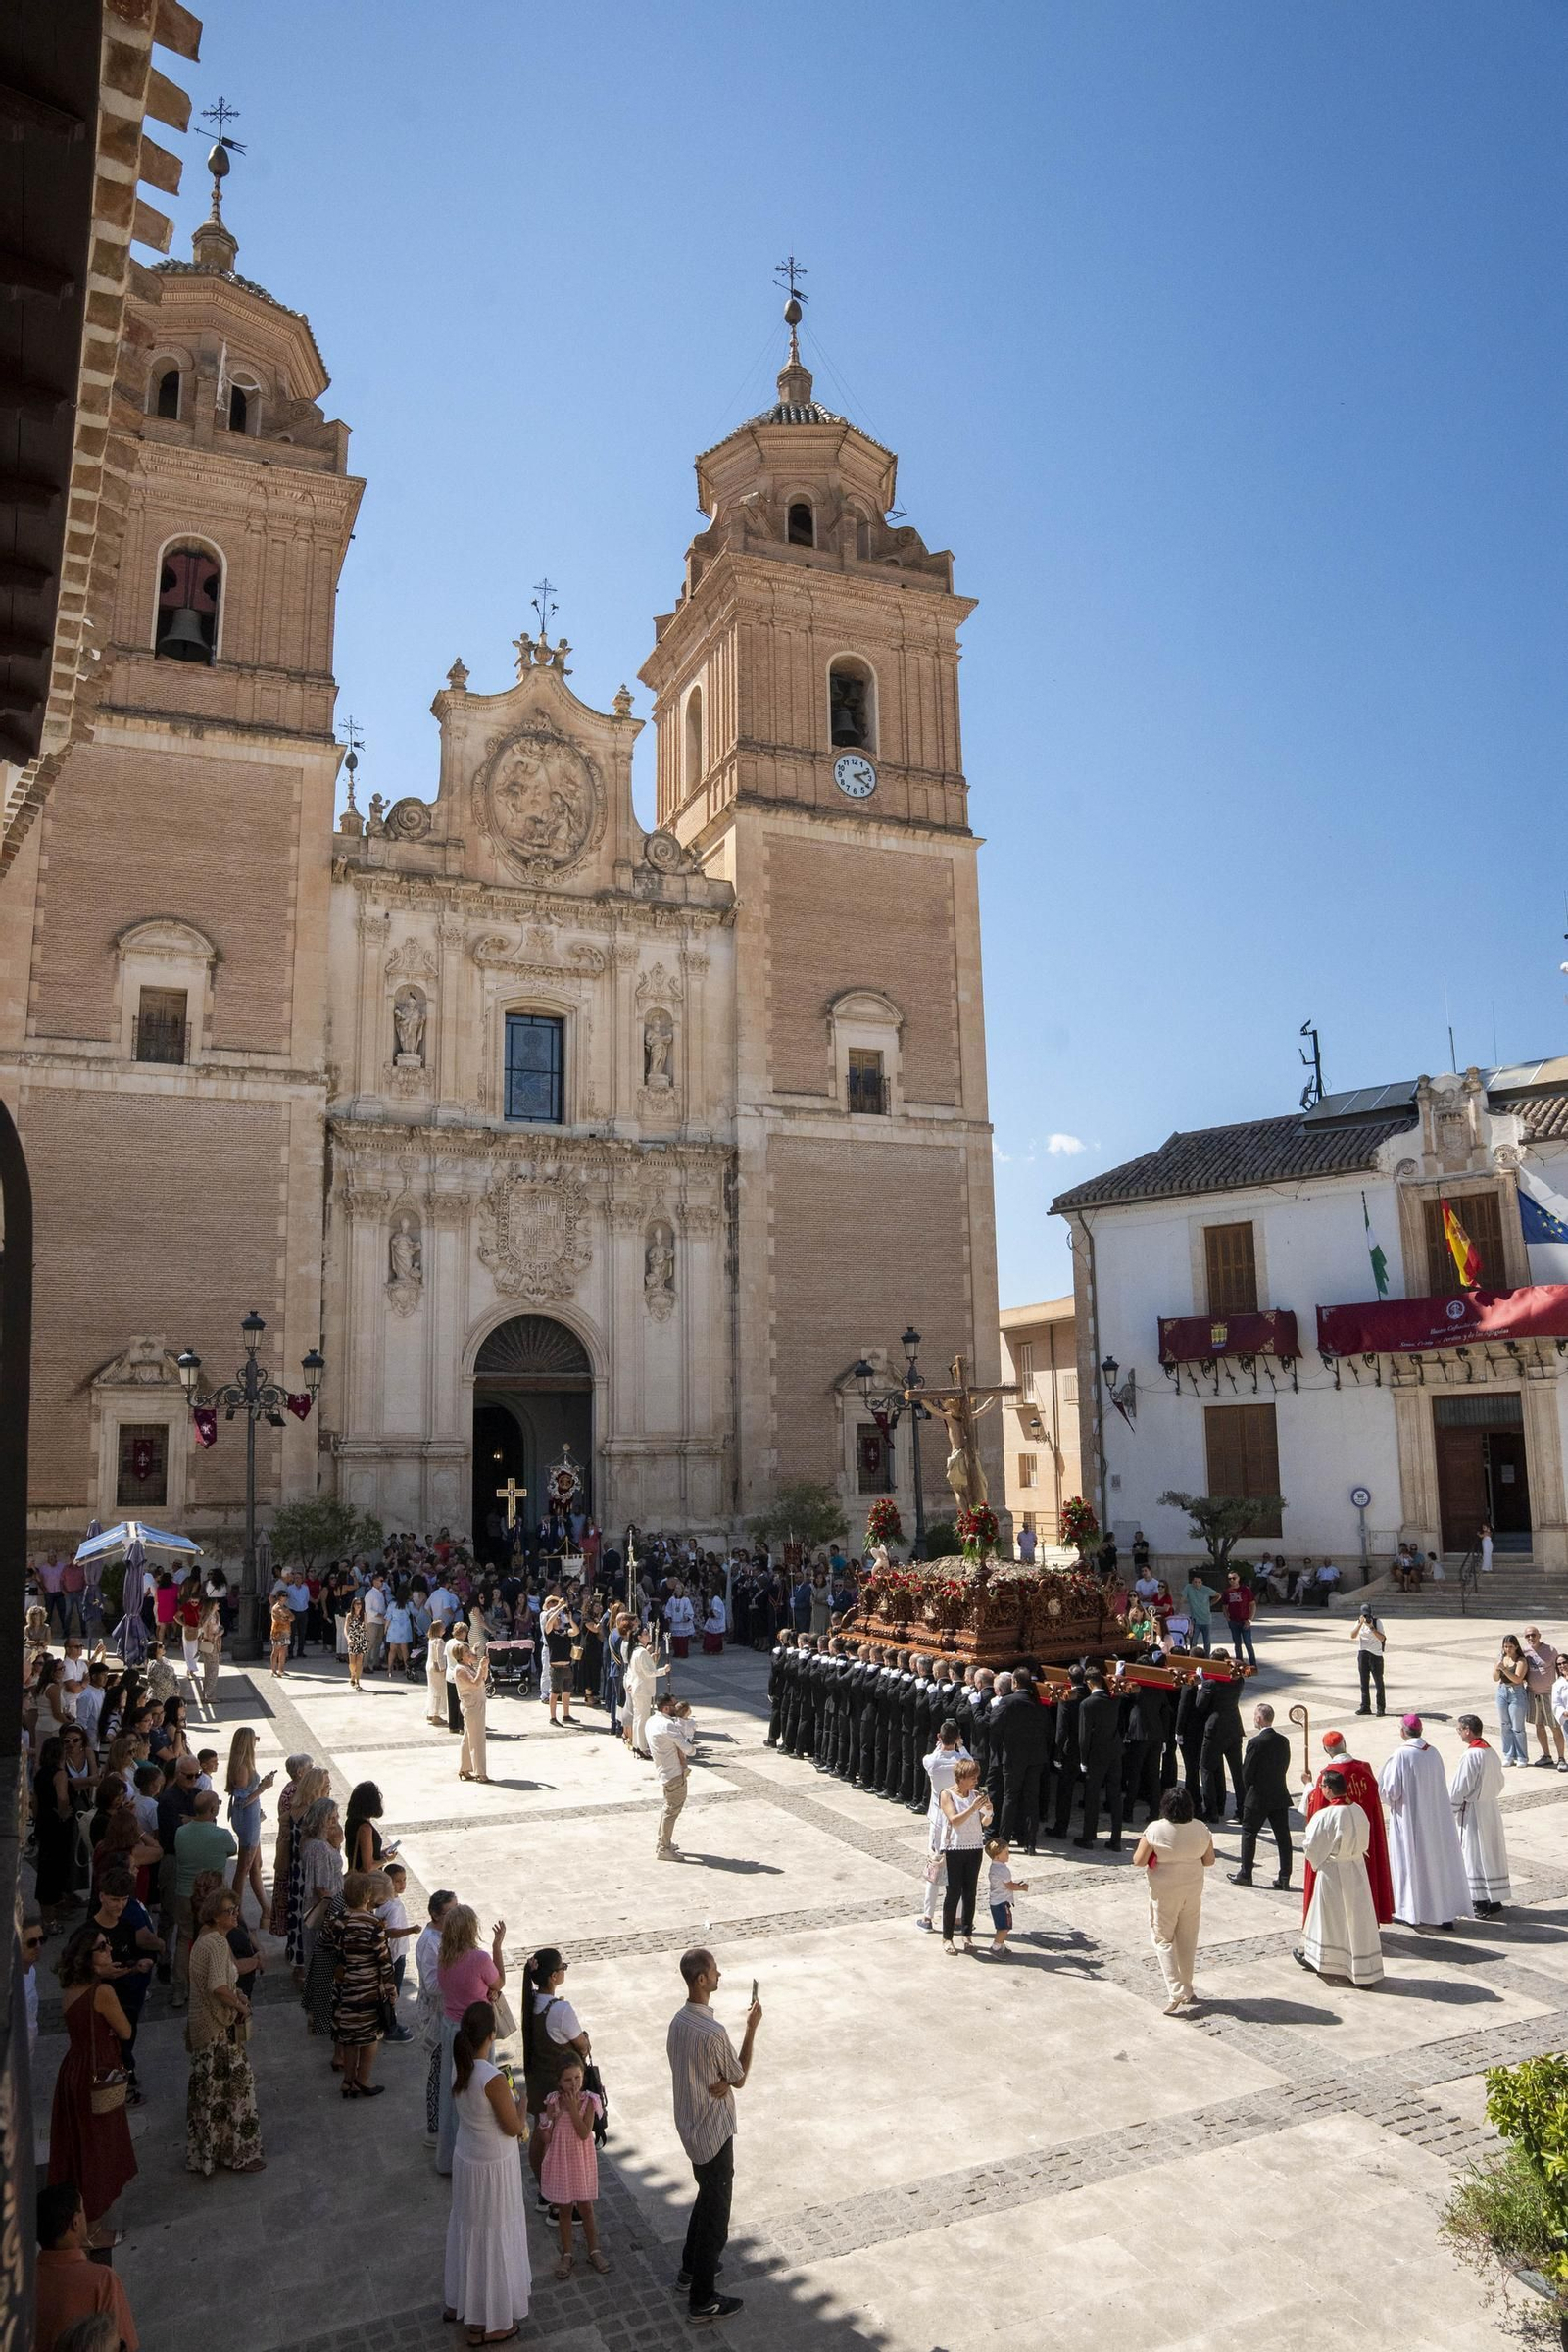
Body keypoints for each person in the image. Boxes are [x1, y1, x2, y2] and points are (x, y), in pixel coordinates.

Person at [666, 1948, 760, 2325]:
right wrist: (752, 2029)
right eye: (714, 1971)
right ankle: (702, 2299)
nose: (720, 1975)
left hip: (690, 2126)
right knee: (716, 2215)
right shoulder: (714, 2031)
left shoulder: (678, 2022)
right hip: (714, 2130)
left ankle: (690, 2268)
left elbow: (687, 2065)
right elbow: (739, 2077)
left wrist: (715, 2078)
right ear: (701, 1980)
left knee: (706, 2196)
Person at [443, 1999, 532, 2345]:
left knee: (470, 2229)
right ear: (492, 2035)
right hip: (493, 2167)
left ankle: (463, 2305)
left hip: (468, 2158)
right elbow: (512, 2127)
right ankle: (490, 2322)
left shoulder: (460, 2066)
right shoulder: (491, 2078)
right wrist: (521, 2102)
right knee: (494, 2234)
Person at [48, 1920, 137, 2233]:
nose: (109, 1948)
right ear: (88, 1956)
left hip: (73, 2070)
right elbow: (125, 2030)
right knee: (99, 2147)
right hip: (98, 2073)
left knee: (79, 2145)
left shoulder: (71, 1988)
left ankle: (82, 2217)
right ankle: (95, 2230)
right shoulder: (103, 1993)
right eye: (102, 1947)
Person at [185, 1884, 266, 2173]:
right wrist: (241, 2006)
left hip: (206, 2029)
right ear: (216, 1915)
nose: (235, 1915)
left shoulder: (206, 1937)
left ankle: (210, 2154)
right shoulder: (217, 1942)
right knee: (238, 2093)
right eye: (229, 1911)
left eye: (235, 1910)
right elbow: (217, 1987)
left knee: (211, 2095)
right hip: (219, 2031)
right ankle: (241, 2155)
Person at [1379, 1715, 1472, 1930]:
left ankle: (1410, 1912)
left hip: (1410, 1819)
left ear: (1403, 1732)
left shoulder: (1401, 1755)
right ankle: (1445, 1913)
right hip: (1436, 1820)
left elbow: (1391, 1791)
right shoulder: (1434, 1752)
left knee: (1410, 1864)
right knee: (1437, 1865)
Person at [1294, 1770, 1384, 1986]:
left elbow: (1312, 1846)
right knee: (1357, 1920)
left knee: (1331, 1919)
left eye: (1322, 1786)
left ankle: (1323, 1960)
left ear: (1328, 1789)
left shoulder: (1325, 1816)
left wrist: (1319, 1858)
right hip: (1357, 1868)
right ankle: (1362, 1969)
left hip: (1333, 1872)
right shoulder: (1358, 1811)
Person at [1133, 1785, 1215, 2015]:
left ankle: (1176, 1988)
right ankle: (1187, 1988)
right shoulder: (1202, 1829)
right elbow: (1209, 1861)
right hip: (1192, 1890)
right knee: (1188, 1939)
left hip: (1164, 1892)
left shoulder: (1156, 1829)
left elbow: (1139, 1860)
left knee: (1162, 1939)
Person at [437, 1905, 508, 2175]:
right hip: (475, 2031)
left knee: (452, 2089)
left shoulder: (443, 1956)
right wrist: (497, 1947)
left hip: (450, 2028)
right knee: (479, 2090)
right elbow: (498, 1982)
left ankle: (448, 2157)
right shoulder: (478, 1959)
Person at [1301, 1729, 1395, 1924]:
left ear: (1327, 1750)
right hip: (1362, 1848)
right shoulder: (1364, 1770)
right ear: (1345, 1744)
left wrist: (1309, 1786)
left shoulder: (1326, 1778)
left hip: (1335, 1858)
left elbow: (1316, 1811)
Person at [33, 2183, 141, 2352]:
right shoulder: (101, 2279)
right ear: (75, 2223)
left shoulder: (25, 2283)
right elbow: (125, 2343)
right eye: (83, 2210)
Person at [320, 1868, 397, 2097]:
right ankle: (363, 2079)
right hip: (368, 1990)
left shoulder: (337, 1920)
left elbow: (325, 1942)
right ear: (368, 1896)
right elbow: (384, 1961)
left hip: (344, 1988)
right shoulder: (374, 1924)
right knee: (370, 2037)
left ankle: (348, 2080)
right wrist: (391, 1990)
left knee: (349, 2036)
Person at [539, 2054, 609, 2277]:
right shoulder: (552, 2101)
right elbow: (547, 2137)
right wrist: (545, 2127)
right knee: (565, 2209)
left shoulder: (589, 2101)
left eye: (577, 2077)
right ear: (559, 2081)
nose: (574, 2083)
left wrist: (571, 2108)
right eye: (568, 2079)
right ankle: (567, 2253)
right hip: (561, 2160)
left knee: (586, 2207)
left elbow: (583, 2132)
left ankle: (594, 2250)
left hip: (581, 2160)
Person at [1450, 1714, 1510, 1918]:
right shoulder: (1491, 1752)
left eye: (1459, 1729)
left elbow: (1460, 1786)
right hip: (1490, 1808)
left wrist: (1452, 1807)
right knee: (1490, 1853)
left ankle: (1480, 1901)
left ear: (1468, 1730)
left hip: (1473, 1810)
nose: (1458, 1733)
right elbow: (1500, 1782)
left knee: (1473, 1854)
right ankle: (1495, 1900)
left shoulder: (1471, 1755)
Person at [1229, 1702, 1293, 1889]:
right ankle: (1284, 1876)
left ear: (1259, 1718)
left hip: (1258, 1796)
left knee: (1249, 1833)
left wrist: (1250, 1790)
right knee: (1283, 1836)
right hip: (1278, 1793)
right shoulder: (1283, 1741)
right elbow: (1285, 1765)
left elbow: (1246, 1772)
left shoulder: (1255, 1743)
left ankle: (1246, 1873)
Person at [416, 1888, 459, 2146]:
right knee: (438, 2072)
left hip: (449, 2013)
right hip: (436, 2016)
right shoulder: (429, 1942)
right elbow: (432, 1985)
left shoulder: (447, 1936)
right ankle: (435, 2129)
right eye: (451, 1912)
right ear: (435, 1915)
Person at [936, 1757, 992, 1952]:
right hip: (954, 1849)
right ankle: (947, 1937)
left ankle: (967, 1934)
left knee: (971, 1892)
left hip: (974, 1847)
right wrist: (973, 1808)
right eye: (972, 1777)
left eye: (976, 1777)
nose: (975, 1781)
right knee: (953, 1893)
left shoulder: (975, 1795)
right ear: (961, 1778)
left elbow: (984, 1823)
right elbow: (954, 1820)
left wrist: (988, 1813)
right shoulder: (947, 1795)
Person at [223, 1727, 273, 1927]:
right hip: (247, 1821)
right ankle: (237, 1912)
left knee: (255, 1866)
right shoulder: (242, 1767)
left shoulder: (242, 1763)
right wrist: (263, 1787)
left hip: (251, 1818)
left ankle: (266, 1910)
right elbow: (242, 1801)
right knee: (243, 1869)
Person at [649, 1692, 692, 1860]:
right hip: (674, 1773)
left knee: (668, 1807)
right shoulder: (667, 1725)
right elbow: (687, 1748)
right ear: (666, 1708)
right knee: (672, 1810)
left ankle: (663, 1841)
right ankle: (664, 1848)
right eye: (674, 1705)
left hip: (663, 1770)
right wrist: (693, 1749)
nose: (677, 1707)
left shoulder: (652, 1721)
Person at [1520, 1626, 1566, 1768]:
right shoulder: (1524, 1652)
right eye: (1527, 1636)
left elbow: (1560, 1671)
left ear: (1539, 1635)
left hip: (1549, 1695)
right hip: (1533, 1694)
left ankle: (1561, 1758)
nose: (1530, 1638)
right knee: (1539, 1726)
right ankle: (1546, 1755)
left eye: (1533, 1635)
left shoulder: (1551, 1651)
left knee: (1555, 1727)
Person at [452, 1640, 492, 1783]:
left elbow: (482, 1678)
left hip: (477, 1704)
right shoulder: (460, 1669)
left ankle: (464, 1768)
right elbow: (475, 1683)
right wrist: (481, 1667)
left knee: (469, 1737)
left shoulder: (467, 1666)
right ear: (460, 1656)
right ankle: (480, 1772)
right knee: (478, 1739)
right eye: (467, 1652)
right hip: (472, 1706)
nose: (470, 1654)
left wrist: (484, 1667)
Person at [624, 1628, 667, 1758]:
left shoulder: (636, 1651)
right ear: (639, 1637)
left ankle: (638, 1745)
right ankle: (642, 1747)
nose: (648, 1635)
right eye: (645, 1634)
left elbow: (638, 1669)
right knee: (642, 1719)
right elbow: (648, 1672)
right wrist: (663, 1670)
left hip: (638, 1688)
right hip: (642, 1689)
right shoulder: (641, 1652)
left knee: (639, 1718)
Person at [984, 1835, 1028, 1955]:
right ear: (997, 1856)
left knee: (1001, 1925)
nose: (1008, 1854)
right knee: (1005, 1926)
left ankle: (1001, 1944)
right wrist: (1022, 1887)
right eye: (1006, 1853)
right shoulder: (1003, 1870)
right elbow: (1010, 1886)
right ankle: (996, 1947)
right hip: (1001, 1902)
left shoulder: (994, 1867)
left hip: (995, 1901)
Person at [1493, 1634, 1531, 1766]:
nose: (1507, 1649)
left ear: (1516, 1647)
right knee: (1505, 1725)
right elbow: (1496, 1678)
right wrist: (1498, 1668)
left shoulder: (1521, 1661)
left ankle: (1522, 1756)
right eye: (1505, 1647)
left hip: (1516, 1692)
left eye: (1510, 1647)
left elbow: (1517, 1679)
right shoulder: (1502, 1658)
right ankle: (1508, 1754)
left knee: (1517, 1727)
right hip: (1502, 1691)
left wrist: (1504, 1669)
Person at [542, 1593, 576, 1725]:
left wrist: (570, 1619)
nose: (559, 1620)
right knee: (555, 1692)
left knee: (567, 1692)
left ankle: (566, 1715)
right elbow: (549, 1622)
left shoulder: (565, 1631)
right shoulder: (549, 1632)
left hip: (567, 1666)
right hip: (556, 1667)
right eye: (557, 1619)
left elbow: (576, 1631)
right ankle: (552, 1717)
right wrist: (559, 1608)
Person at [1353, 1606, 1388, 1717]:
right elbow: (1352, 1635)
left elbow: (1382, 1638)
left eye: (1367, 1615)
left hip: (1376, 1655)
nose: (1366, 1617)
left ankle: (1380, 1708)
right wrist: (1359, 1624)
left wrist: (1372, 1627)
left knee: (1379, 1682)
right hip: (1363, 1653)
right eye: (1364, 1615)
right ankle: (1365, 1707)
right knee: (1364, 1682)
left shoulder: (1377, 1622)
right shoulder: (1359, 1622)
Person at [1221, 1571, 1257, 1668]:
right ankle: (1239, 1663)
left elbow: (1253, 1605)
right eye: (1230, 1578)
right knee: (1237, 1644)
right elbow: (1224, 1606)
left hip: (1244, 1620)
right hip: (1233, 1621)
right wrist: (1228, 1618)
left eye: (1234, 1578)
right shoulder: (1227, 1592)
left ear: (1238, 1578)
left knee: (1248, 1643)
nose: (1232, 1580)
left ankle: (1253, 1663)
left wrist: (1250, 1619)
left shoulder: (1245, 1590)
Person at [1181, 1570, 1214, 1657]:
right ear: (1192, 1582)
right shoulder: (1188, 1588)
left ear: (1201, 1582)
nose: (1197, 1584)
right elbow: (1182, 1599)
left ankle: (1207, 1658)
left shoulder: (1206, 1589)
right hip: (1195, 1620)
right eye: (1195, 1582)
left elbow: (1218, 1595)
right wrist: (1177, 1611)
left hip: (1206, 1620)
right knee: (1193, 1641)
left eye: (1199, 1582)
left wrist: (1210, 1604)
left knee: (1207, 1642)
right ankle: (1193, 1657)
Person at [344, 1593, 371, 1692]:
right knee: (352, 1663)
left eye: (360, 1604)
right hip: (352, 1640)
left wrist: (366, 1636)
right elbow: (345, 1629)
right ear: (353, 1605)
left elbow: (366, 1628)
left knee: (359, 1662)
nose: (358, 1605)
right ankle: (352, 1674)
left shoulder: (363, 1615)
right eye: (356, 1604)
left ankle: (358, 1681)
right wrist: (348, 1639)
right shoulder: (349, 1616)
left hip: (361, 1640)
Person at [426, 1617, 450, 1727]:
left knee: (432, 1689)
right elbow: (440, 1657)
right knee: (439, 1691)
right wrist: (443, 1669)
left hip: (430, 1667)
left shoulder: (431, 1640)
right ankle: (436, 1715)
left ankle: (430, 1712)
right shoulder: (440, 1641)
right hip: (437, 1669)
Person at [269, 1586, 292, 1680]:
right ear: (279, 1597)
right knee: (276, 1651)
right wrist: (287, 1618)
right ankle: (273, 1670)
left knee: (283, 1652)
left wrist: (286, 1617)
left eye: (286, 1595)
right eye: (283, 1595)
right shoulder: (275, 1608)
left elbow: (292, 1617)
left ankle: (281, 1669)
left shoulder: (286, 1607)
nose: (285, 1597)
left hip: (286, 1632)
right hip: (277, 1632)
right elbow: (280, 1619)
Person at [701, 1591, 726, 1655]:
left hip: (716, 1622)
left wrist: (710, 1612)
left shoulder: (716, 1599)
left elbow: (717, 1613)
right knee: (709, 1635)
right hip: (712, 1621)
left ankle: (715, 1650)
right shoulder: (713, 1599)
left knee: (714, 1637)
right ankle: (709, 1650)